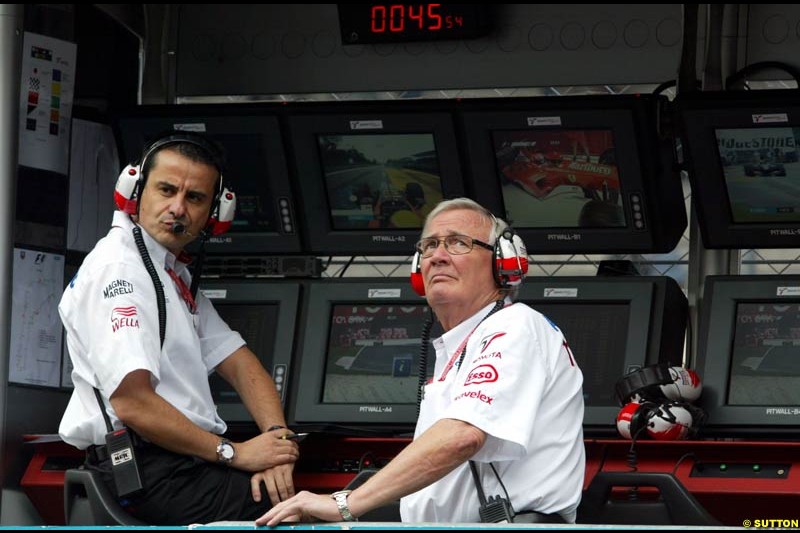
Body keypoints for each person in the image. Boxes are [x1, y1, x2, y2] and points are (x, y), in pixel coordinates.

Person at [257, 197, 585, 525]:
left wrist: (346, 503)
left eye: (458, 243)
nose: (438, 256)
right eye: (428, 246)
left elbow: (463, 435)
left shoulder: (515, 325)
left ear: (502, 263)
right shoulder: (466, 342)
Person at [59, 131, 299, 525]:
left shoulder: (167, 275)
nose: (178, 208)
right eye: (166, 190)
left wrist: (278, 444)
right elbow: (133, 403)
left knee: (286, 494)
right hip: (153, 471)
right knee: (301, 512)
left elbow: (241, 364)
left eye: (195, 198)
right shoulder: (121, 270)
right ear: (134, 192)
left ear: (215, 214)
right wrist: (236, 453)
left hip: (181, 465)